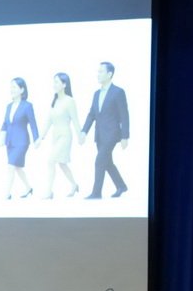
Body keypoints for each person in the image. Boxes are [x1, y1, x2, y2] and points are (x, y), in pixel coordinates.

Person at [78, 61, 130, 198]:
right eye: (98, 71)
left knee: (99, 161)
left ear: (109, 74)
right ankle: (121, 186)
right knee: (107, 163)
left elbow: (124, 115)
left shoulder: (118, 92)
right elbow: (92, 114)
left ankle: (96, 193)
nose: (98, 74)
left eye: (101, 71)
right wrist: (84, 131)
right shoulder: (96, 94)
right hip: (99, 135)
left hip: (112, 134)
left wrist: (125, 136)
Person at [34, 72, 81, 198]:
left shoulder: (70, 101)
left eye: (56, 82)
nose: (54, 84)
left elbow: (75, 120)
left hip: (65, 135)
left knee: (51, 161)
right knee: (62, 163)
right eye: (53, 82)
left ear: (64, 84)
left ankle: (48, 191)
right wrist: (40, 138)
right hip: (56, 136)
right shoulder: (55, 101)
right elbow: (48, 121)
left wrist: (80, 136)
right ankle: (74, 185)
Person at [0, 77, 39, 199]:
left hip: (21, 142)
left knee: (11, 166)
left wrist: (36, 138)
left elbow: (33, 124)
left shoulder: (27, 106)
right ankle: (29, 188)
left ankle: (7, 193)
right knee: (18, 167)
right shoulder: (9, 106)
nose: (12, 89)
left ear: (22, 89)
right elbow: (5, 123)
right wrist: (0, 137)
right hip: (10, 142)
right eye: (11, 87)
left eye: (14, 87)